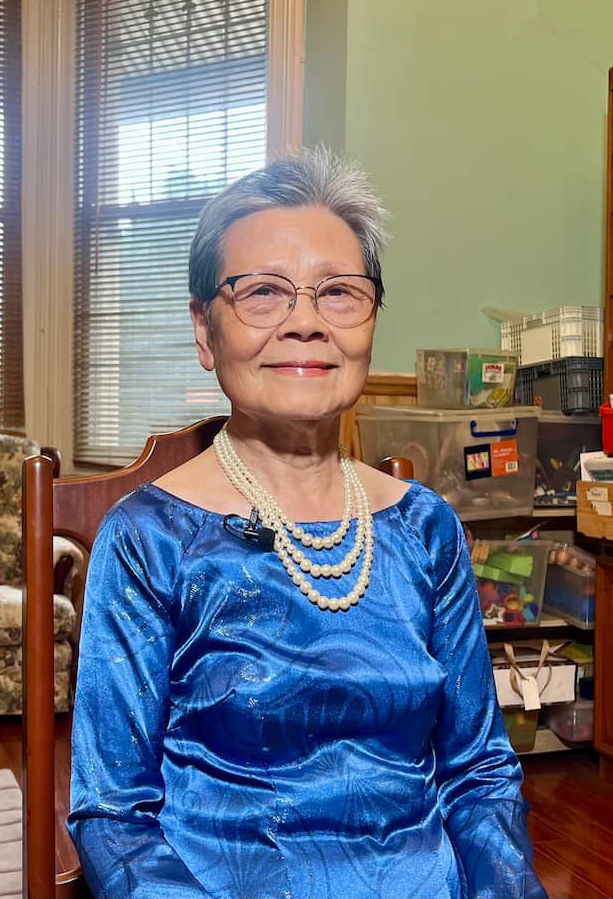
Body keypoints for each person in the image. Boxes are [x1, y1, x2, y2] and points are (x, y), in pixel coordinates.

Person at [68, 147, 547, 899]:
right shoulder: (148, 541)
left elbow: (478, 773)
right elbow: (114, 817)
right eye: (262, 292)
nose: (305, 323)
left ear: (371, 321)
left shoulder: (428, 530)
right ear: (204, 330)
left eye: (339, 293)